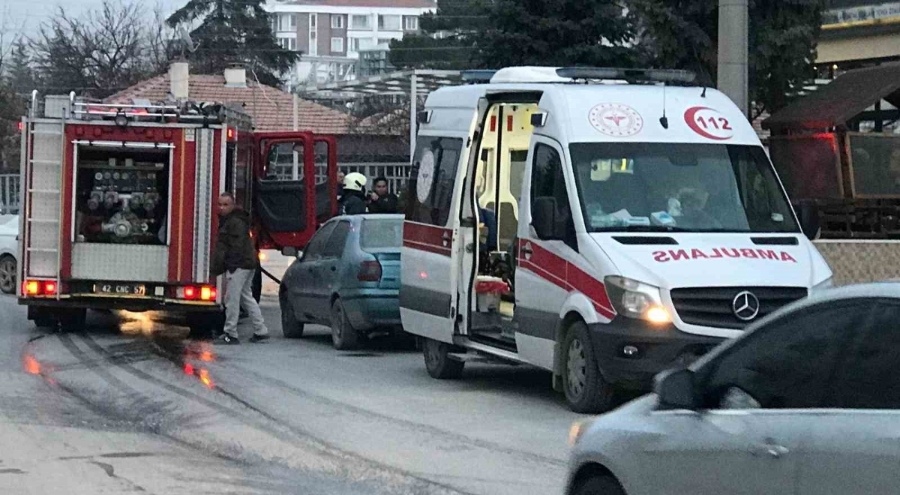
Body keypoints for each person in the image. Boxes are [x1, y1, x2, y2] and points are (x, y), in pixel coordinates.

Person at [210, 192, 269, 345]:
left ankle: (231, 333)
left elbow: (235, 247)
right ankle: (260, 330)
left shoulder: (233, 222)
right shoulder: (237, 220)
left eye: (225, 204)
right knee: (246, 297)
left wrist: (231, 265)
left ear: (233, 205)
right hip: (248, 263)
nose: (221, 208)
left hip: (239, 265)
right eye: (220, 204)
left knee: (232, 299)